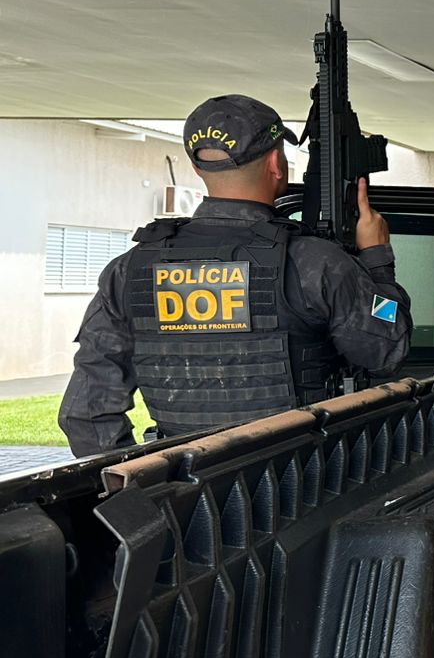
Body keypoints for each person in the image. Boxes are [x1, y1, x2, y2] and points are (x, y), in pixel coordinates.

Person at [58, 96, 412, 455]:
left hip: (188, 484)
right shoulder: (314, 262)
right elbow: (386, 347)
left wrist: (147, 479)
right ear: (276, 163)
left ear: (198, 167)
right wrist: (376, 259)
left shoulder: (130, 270)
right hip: (303, 478)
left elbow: (86, 413)